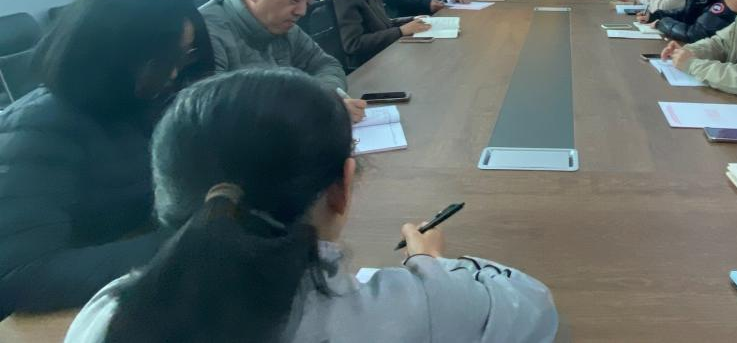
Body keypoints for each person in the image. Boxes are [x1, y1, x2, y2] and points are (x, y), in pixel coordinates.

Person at [64, 68, 560, 343]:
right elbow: (534, 308)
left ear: (167, 191)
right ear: (342, 187)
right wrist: (431, 265)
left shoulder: (106, 314)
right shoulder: (416, 309)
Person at [0, 0, 211, 317]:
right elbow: (22, 276)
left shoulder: (139, 103)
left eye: (183, 56)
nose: (174, 73)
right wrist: (185, 242)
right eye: (163, 60)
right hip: (68, 311)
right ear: (113, 56)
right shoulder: (37, 130)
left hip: (128, 276)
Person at [199, 0, 363, 123]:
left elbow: (326, 64)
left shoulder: (284, 26)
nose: (302, 11)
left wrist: (325, 99)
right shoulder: (207, 34)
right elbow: (212, 113)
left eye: (307, 1)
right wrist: (311, 107)